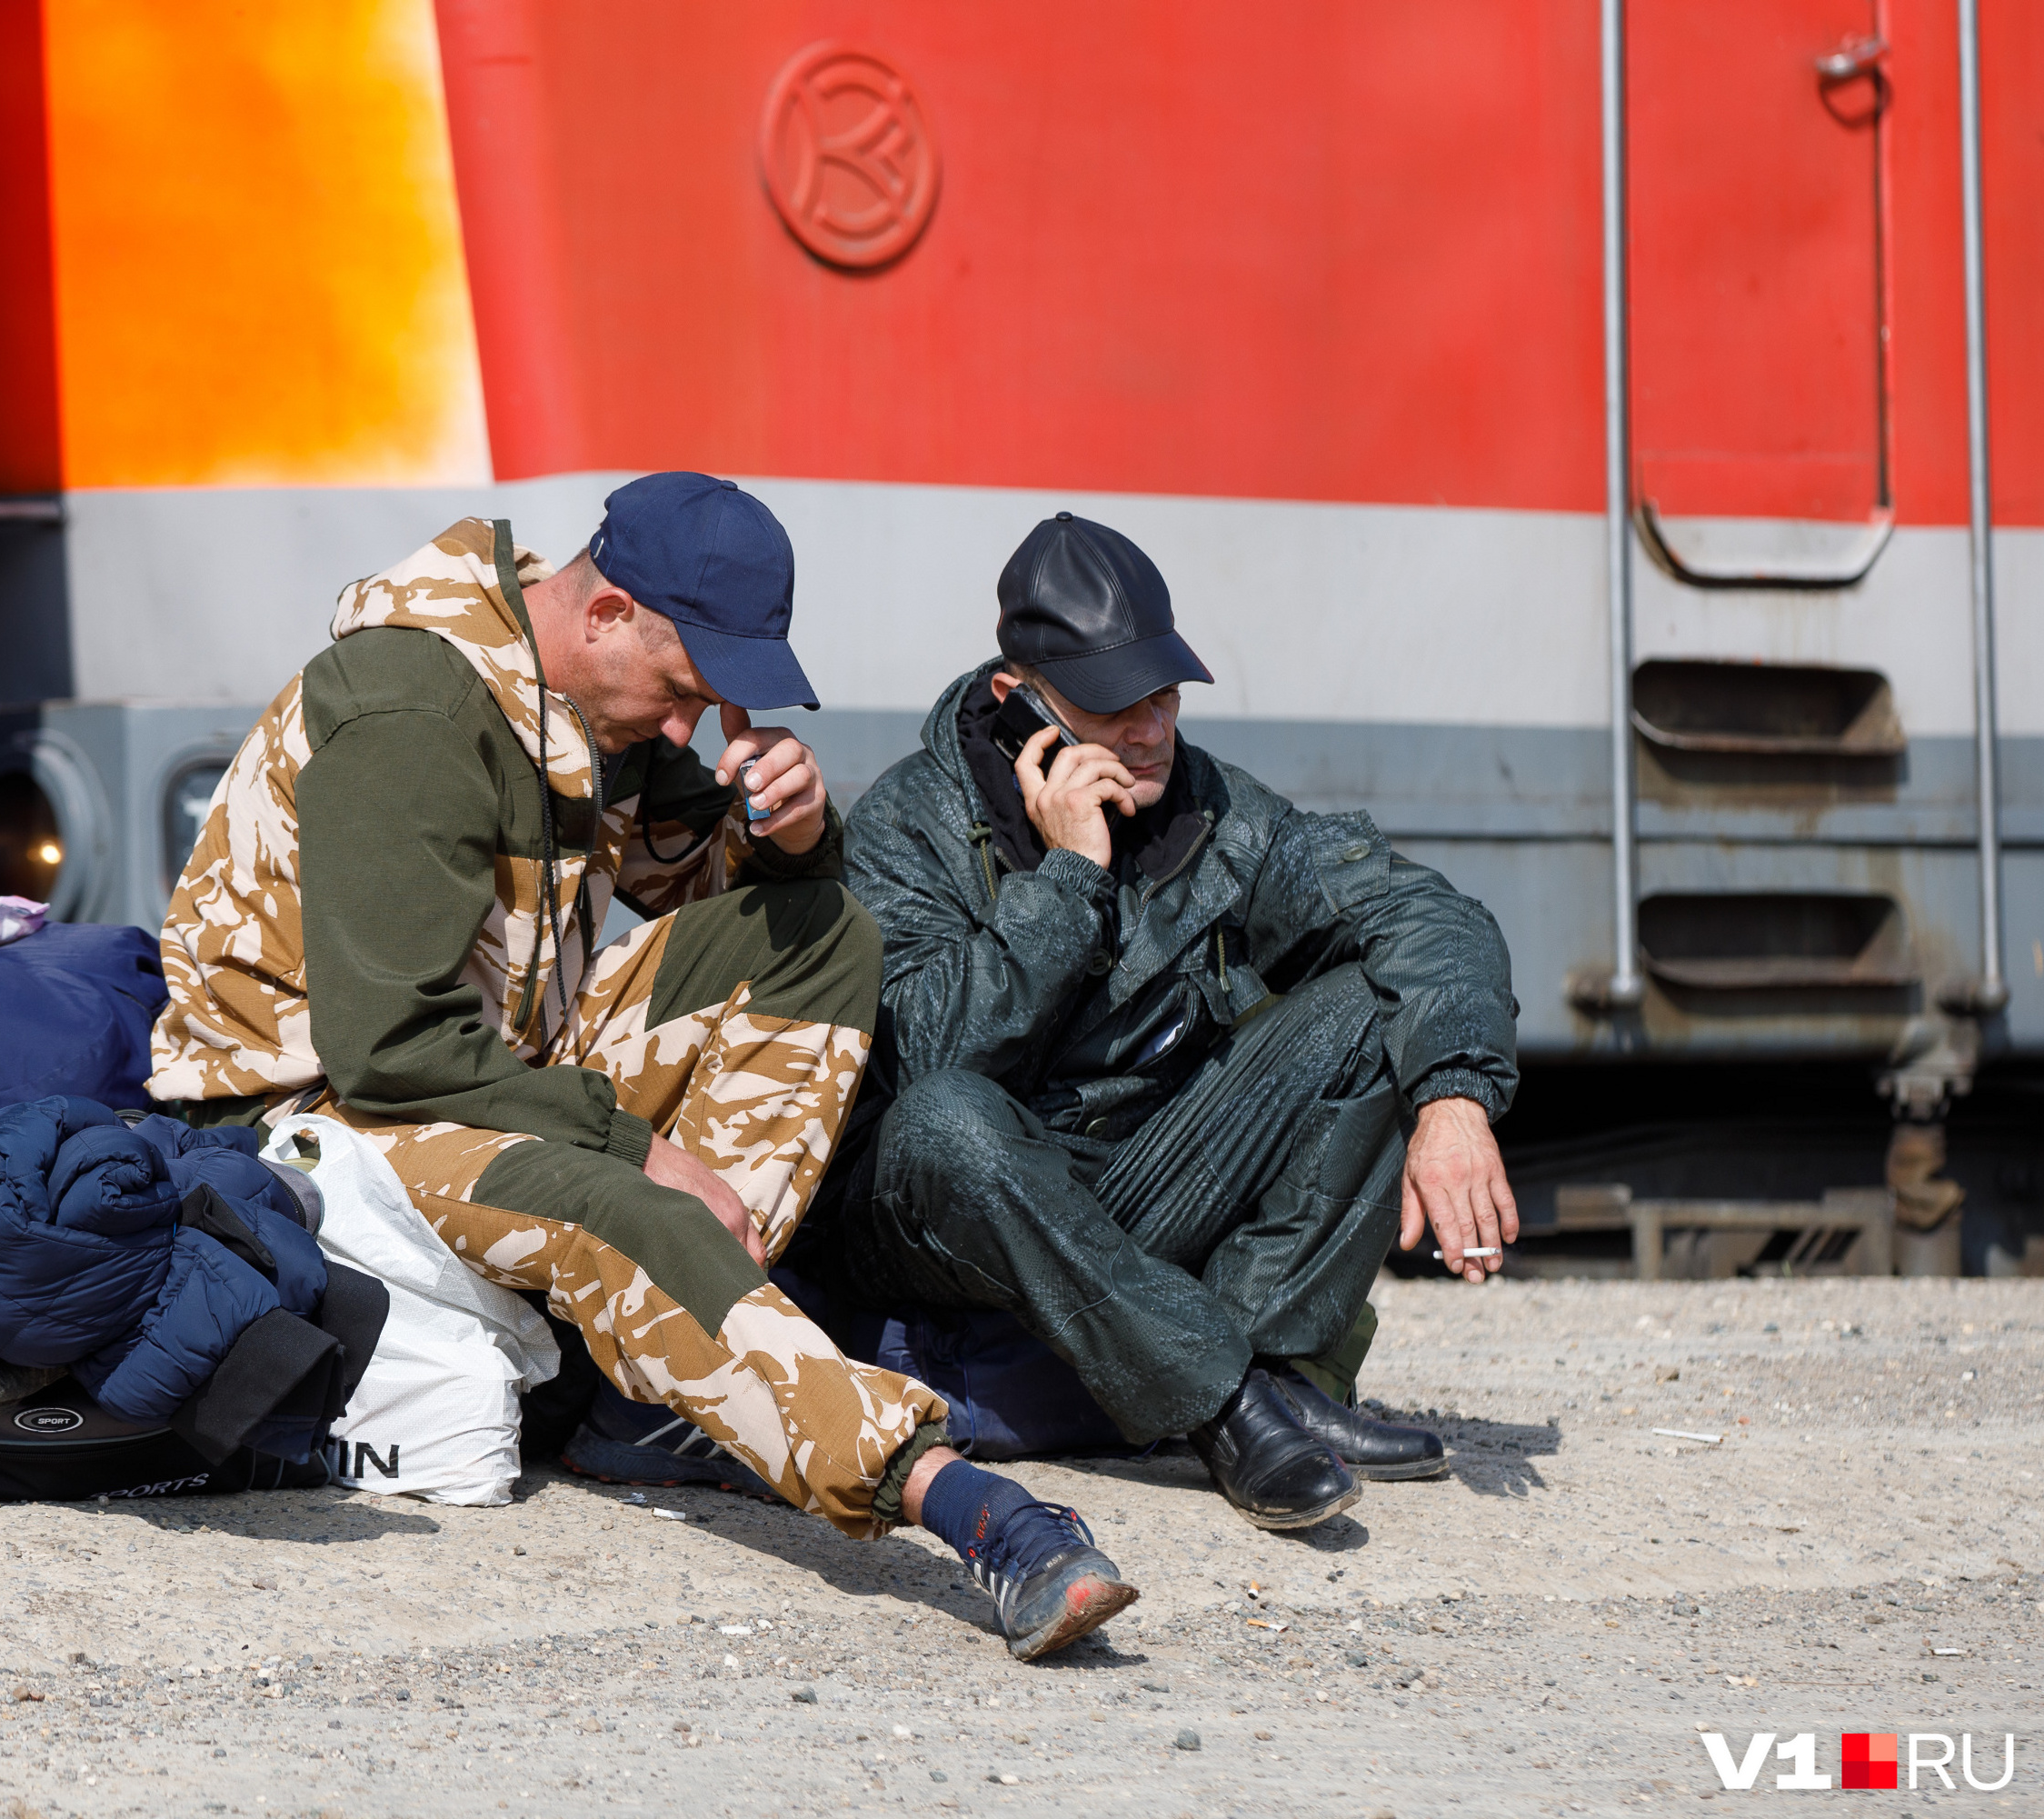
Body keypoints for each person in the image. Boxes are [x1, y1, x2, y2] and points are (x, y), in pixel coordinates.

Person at [148, 474, 1135, 1659]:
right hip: (312, 1107)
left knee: (824, 938)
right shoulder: (412, 706)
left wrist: (794, 832)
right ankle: (958, 1499)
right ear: (606, 613)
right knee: (621, 1205)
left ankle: (658, 1392)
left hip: (482, 1060)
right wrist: (639, 1150)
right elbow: (388, 1044)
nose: (692, 723)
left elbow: (725, 900)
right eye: (686, 691)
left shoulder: (595, 703)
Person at [829, 511, 1521, 1531]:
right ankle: (1228, 1406)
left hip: (1127, 1189)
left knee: (1377, 1001)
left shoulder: (1212, 809)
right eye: (1116, 708)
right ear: (1019, 706)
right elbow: (932, 1055)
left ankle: (1282, 1372)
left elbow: (1424, 912)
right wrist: (1068, 878)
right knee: (947, 1119)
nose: (1152, 730)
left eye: (1165, 695)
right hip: (951, 1213)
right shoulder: (904, 824)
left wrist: (1454, 1095)